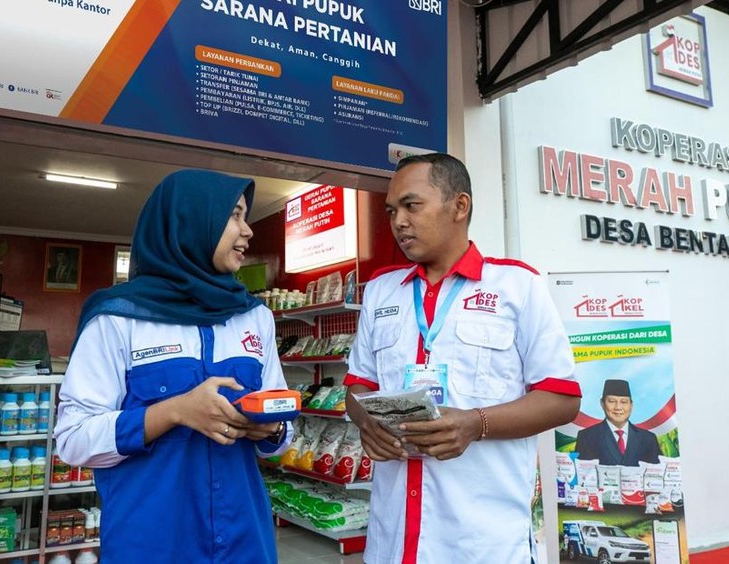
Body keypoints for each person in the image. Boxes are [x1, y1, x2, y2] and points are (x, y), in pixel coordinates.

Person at [343, 153, 581, 564]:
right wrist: (367, 423)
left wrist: (476, 424)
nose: (398, 221)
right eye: (391, 210)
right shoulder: (382, 291)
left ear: (460, 205)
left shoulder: (517, 287)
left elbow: (563, 399)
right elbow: (357, 387)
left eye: (411, 205)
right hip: (393, 540)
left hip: (482, 544)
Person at [54, 169, 291, 563]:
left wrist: (273, 429)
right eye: (234, 215)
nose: (248, 230)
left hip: (244, 540)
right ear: (191, 220)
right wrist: (174, 411)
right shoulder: (117, 319)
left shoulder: (255, 317)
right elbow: (73, 439)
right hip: (151, 543)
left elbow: (282, 424)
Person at [575, 378, 661, 466]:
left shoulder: (648, 439)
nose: (618, 407)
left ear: (631, 406)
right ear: (602, 403)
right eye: (612, 401)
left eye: (624, 402)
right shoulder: (587, 437)